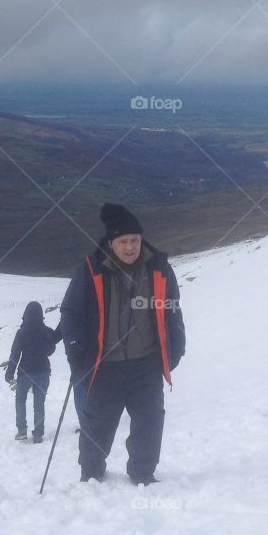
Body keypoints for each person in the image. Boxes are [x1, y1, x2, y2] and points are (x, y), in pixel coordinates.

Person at [60, 203, 185, 485]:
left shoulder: (159, 268)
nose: (130, 247)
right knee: (98, 422)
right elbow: (71, 311)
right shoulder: (91, 270)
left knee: (150, 420)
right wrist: (74, 342)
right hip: (105, 364)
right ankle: (91, 471)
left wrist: (177, 343)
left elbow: (172, 310)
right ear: (112, 243)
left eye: (135, 240)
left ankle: (143, 471)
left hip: (146, 362)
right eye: (124, 241)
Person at [4, 301, 57, 443]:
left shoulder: (22, 332)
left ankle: (22, 430)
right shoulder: (47, 332)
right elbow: (51, 350)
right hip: (43, 372)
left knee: (20, 400)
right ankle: (38, 434)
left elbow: (15, 353)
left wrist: (10, 371)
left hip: (25, 372)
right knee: (39, 403)